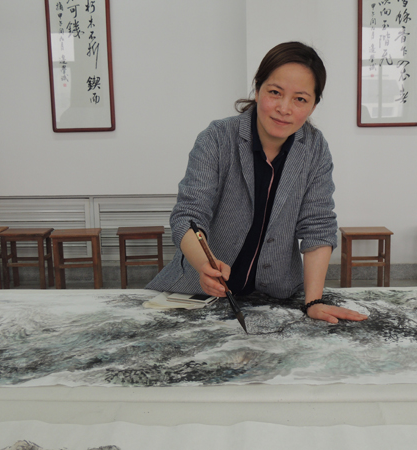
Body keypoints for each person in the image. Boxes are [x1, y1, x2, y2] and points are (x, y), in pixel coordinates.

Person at [147, 42, 367, 324]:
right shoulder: (217, 138)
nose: (284, 108)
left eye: (300, 99)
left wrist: (313, 301)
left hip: (275, 298)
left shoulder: (314, 148)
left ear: (313, 104)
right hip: (196, 296)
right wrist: (204, 265)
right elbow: (188, 216)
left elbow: (318, 225)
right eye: (275, 93)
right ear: (258, 88)